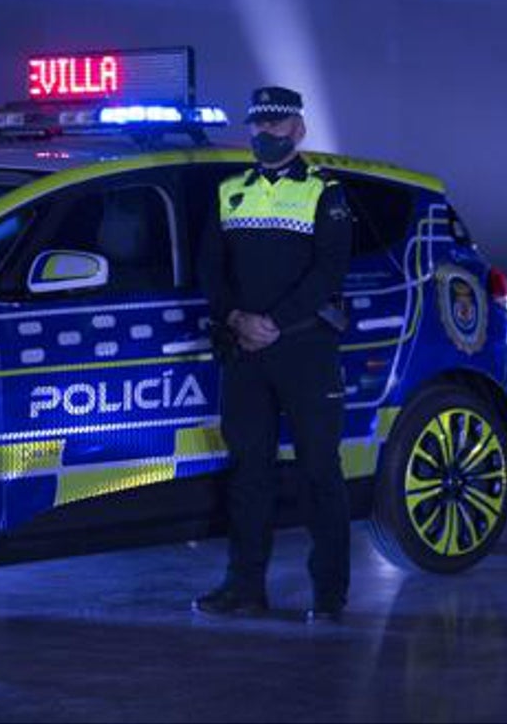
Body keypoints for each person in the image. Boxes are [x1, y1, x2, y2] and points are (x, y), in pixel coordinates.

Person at [194, 86, 355, 623]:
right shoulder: (229, 191)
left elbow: (329, 271)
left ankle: (329, 596)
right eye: (258, 126)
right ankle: (245, 589)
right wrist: (237, 320)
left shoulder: (323, 193)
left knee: (319, 471)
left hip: (305, 348)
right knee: (249, 473)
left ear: (298, 130)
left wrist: (273, 323)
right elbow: (210, 271)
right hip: (244, 351)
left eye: (277, 125)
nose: (266, 135)